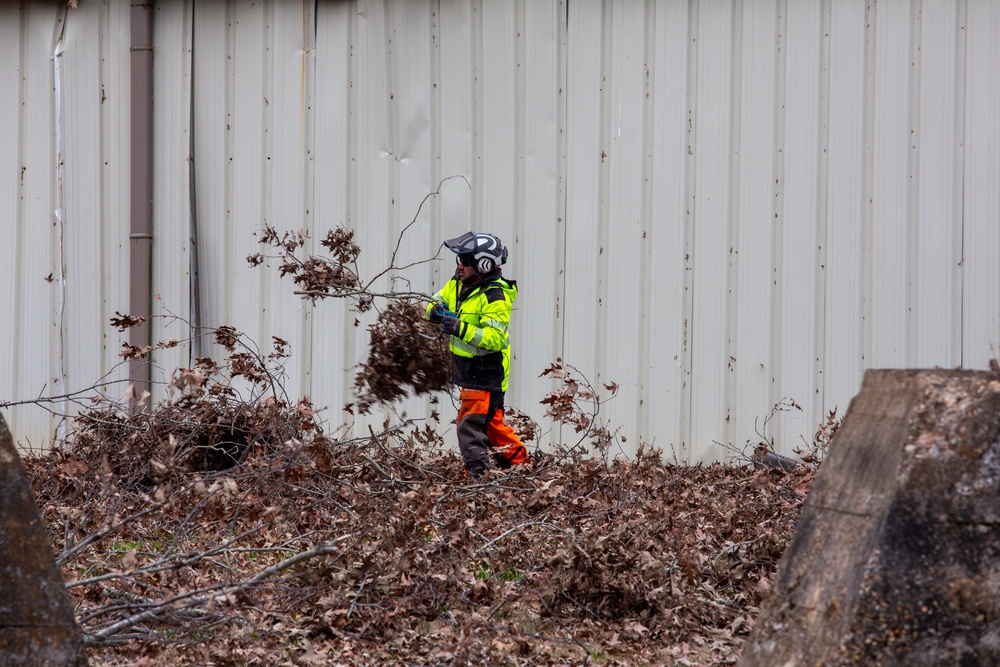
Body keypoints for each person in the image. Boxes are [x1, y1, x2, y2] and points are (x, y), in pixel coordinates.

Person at [426, 232, 532, 478]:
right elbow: (433, 303)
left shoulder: (495, 295)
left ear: (482, 264)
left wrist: (460, 327)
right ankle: (526, 468)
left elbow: (494, 339)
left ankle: (477, 476)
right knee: (493, 427)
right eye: (459, 260)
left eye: (464, 261)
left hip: (486, 370)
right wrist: (435, 312)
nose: (459, 266)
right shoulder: (457, 283)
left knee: (469, 425)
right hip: (468, 369)